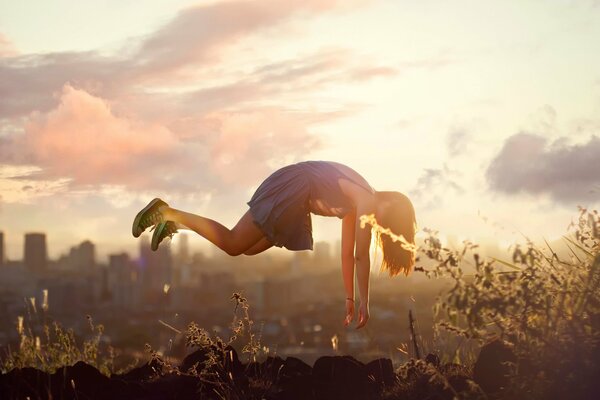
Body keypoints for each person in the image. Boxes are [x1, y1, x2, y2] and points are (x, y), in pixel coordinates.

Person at [132, 160, 417, 329]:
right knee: (233, 243)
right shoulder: (367, 199)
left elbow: (346, 254)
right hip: (294, 188)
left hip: (299, 199)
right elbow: (360, 257)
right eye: (389, 219)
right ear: (390, 202)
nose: (381, 224)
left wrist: (350, 299)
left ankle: (176, 224)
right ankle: (168, 212)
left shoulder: (357, 203)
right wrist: (366, 302)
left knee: (249, 248)